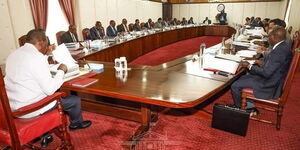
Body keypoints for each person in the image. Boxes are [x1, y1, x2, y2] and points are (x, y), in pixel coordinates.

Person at [4, 29, 92, 147]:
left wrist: (45, 55)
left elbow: (30, 71)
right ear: (41, 43)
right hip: (31, 109)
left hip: (13, 107)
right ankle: (76, 124)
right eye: (46, 43)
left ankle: (45, 134)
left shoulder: (13, 55)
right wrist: (62, 70)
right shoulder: (36, 58)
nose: (47, 46)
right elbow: (50, 90)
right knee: (74, 100)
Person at [231, 27, 293, 115]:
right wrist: (261, 63)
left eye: (269, 36)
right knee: (243, 77)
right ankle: (250, 106)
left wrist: (249, 66)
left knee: (235, 85)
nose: (268, 39)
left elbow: (266, 73)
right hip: (275, 79)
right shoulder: (284, 46)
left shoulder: (278, 51)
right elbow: (276, 66)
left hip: (270, 84)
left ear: (274, 37)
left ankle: (238, 109)